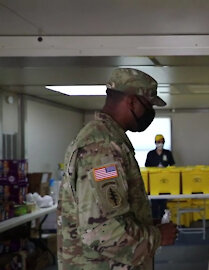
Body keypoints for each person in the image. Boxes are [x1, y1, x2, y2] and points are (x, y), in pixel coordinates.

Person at [57, 68, 178, 269]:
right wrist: (156, 237)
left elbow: (109, 211)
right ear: (131, 101)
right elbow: (103, 230)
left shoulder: (106, 138)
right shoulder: (102, 147)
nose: (150, 113)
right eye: (147, 105)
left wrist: (142, 221)